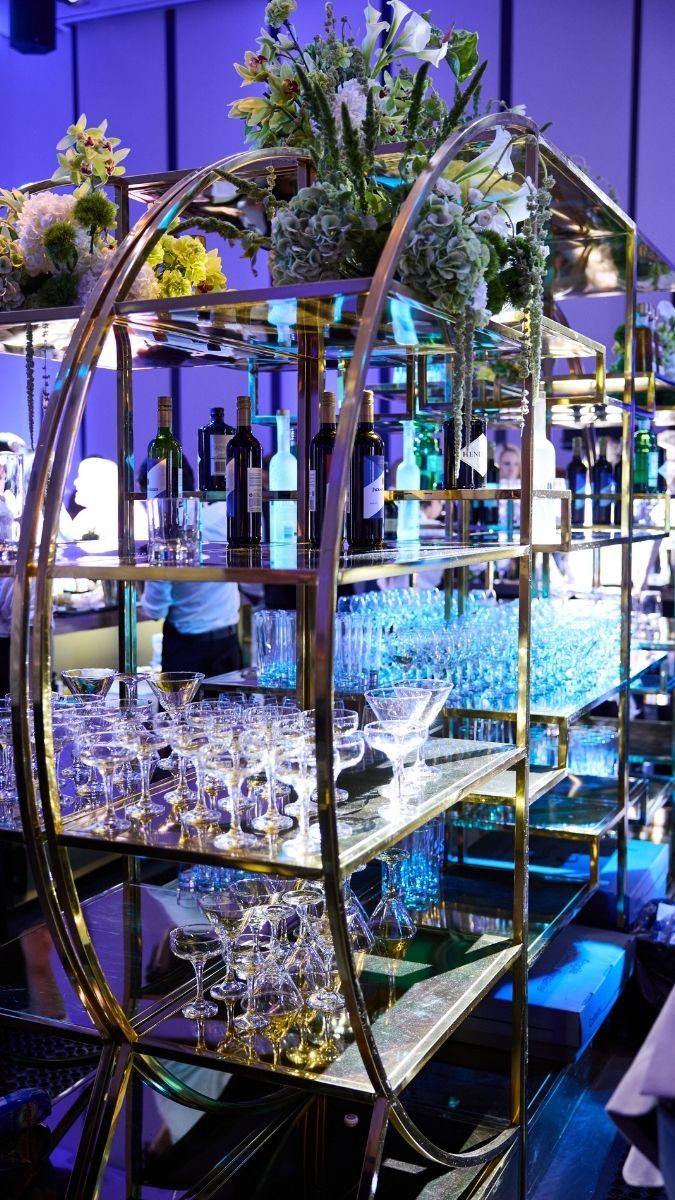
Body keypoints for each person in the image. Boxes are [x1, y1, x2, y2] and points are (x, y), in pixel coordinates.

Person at [139, 459, 243, 678]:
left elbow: (155, 610)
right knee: (230, 699)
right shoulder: (224, 514)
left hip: (188, 652)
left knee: (180, 702)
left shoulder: (166, 538)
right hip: (229, 642)